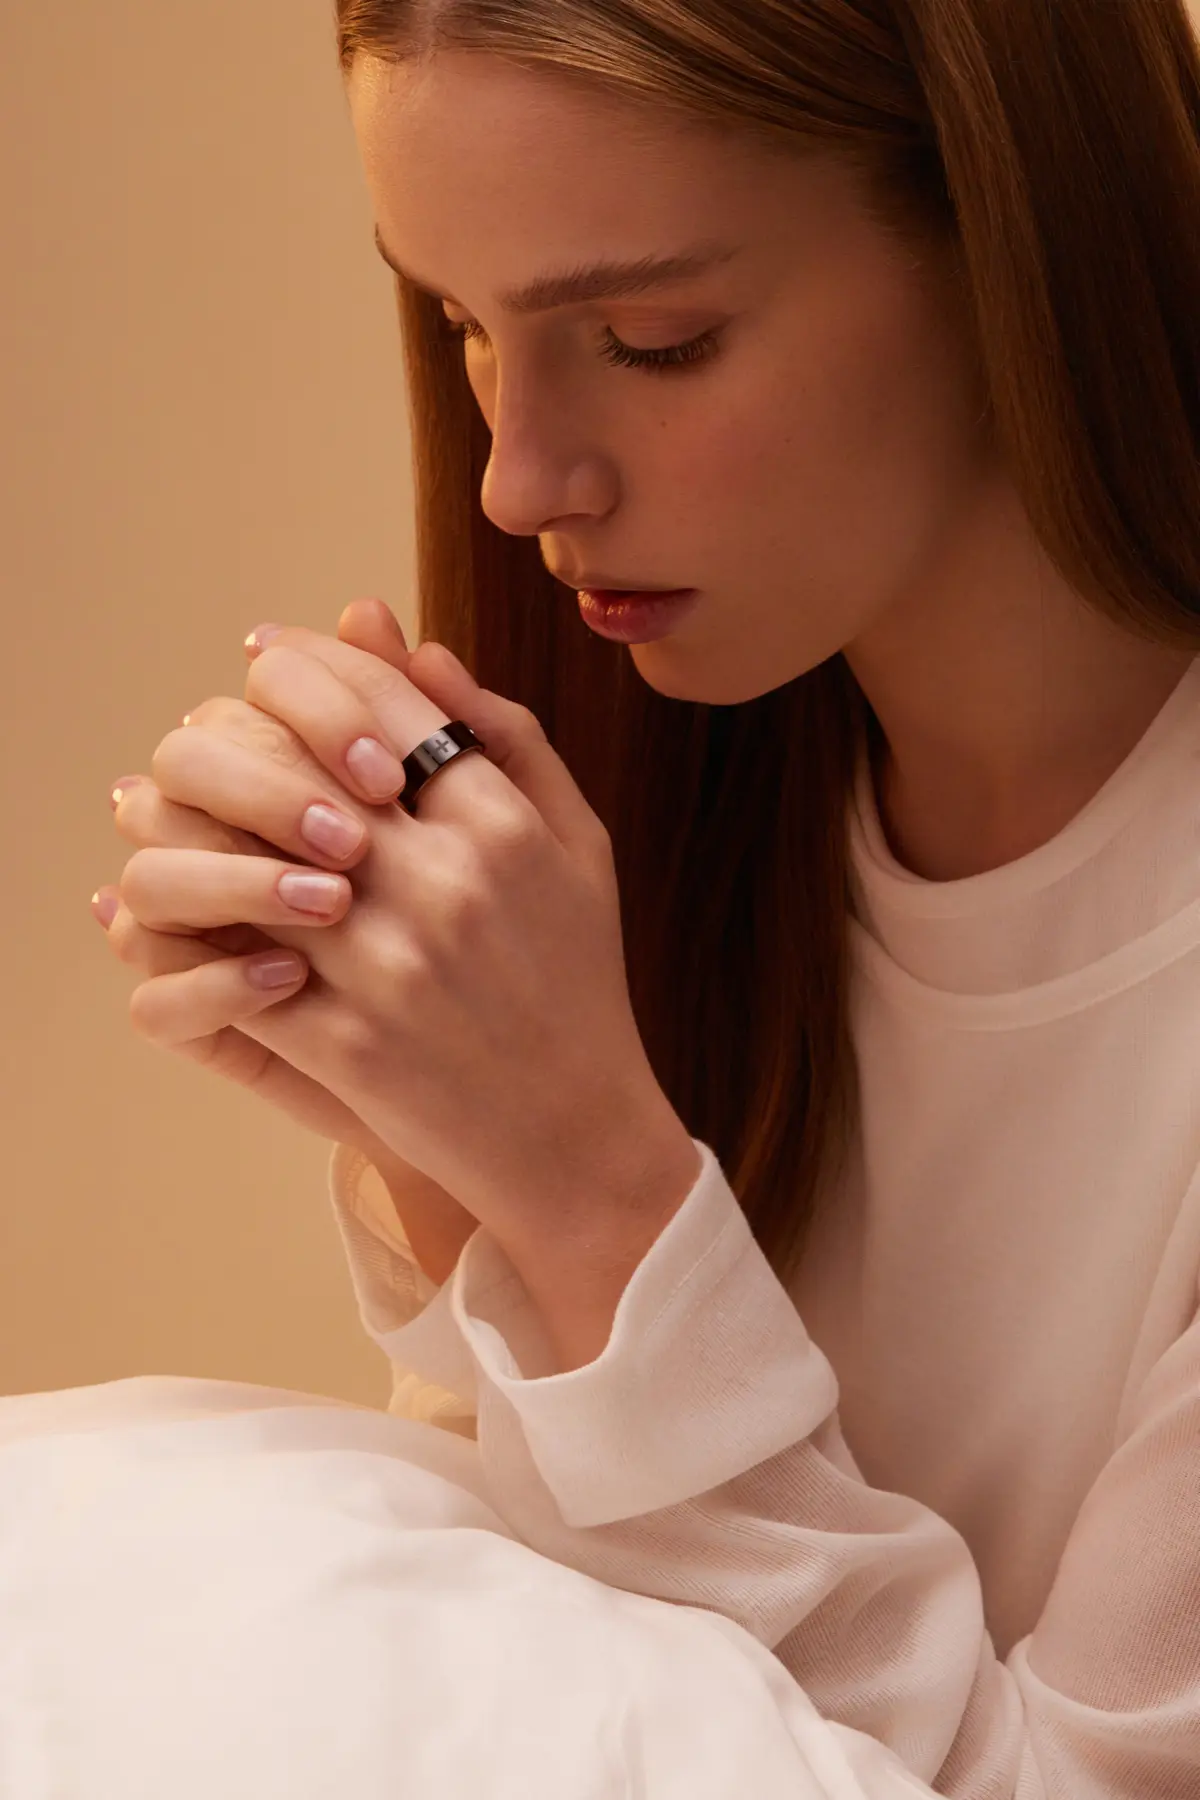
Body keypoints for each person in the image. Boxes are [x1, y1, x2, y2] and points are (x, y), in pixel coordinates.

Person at [72, 1, 1200, 1794]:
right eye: (459, 324)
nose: (522, 479)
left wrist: (588, 1193)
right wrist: (455, 1156)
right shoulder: (699, 801)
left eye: (653, 341)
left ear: (1015, 247)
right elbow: (564, 1669)